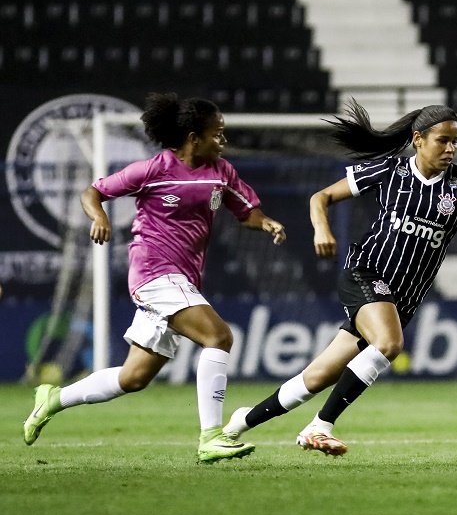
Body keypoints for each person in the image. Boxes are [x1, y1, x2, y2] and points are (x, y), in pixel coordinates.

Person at [221, 100, 457, 456]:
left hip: (401, 299)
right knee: (390, 344)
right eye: (443, 140)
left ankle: (239, 422)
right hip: (366, 272)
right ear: (418, 139)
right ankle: (319, 426)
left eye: (455, 141)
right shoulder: (391, 171)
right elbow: (322, 196)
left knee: (314, 379)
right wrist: (321, 230)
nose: (451, 148)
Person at [22, 92, 286, 463]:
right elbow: (93, 192)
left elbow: (246, 213)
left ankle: (53, 398)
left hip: (183, 280)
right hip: (153, 272)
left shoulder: (222, 173)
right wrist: (100, 217)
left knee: (134, 377)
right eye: (217, 134)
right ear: (194, 138)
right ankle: (212, 436)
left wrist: (267, 222)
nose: (222, 141)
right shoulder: (153, 170)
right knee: (219, 336)